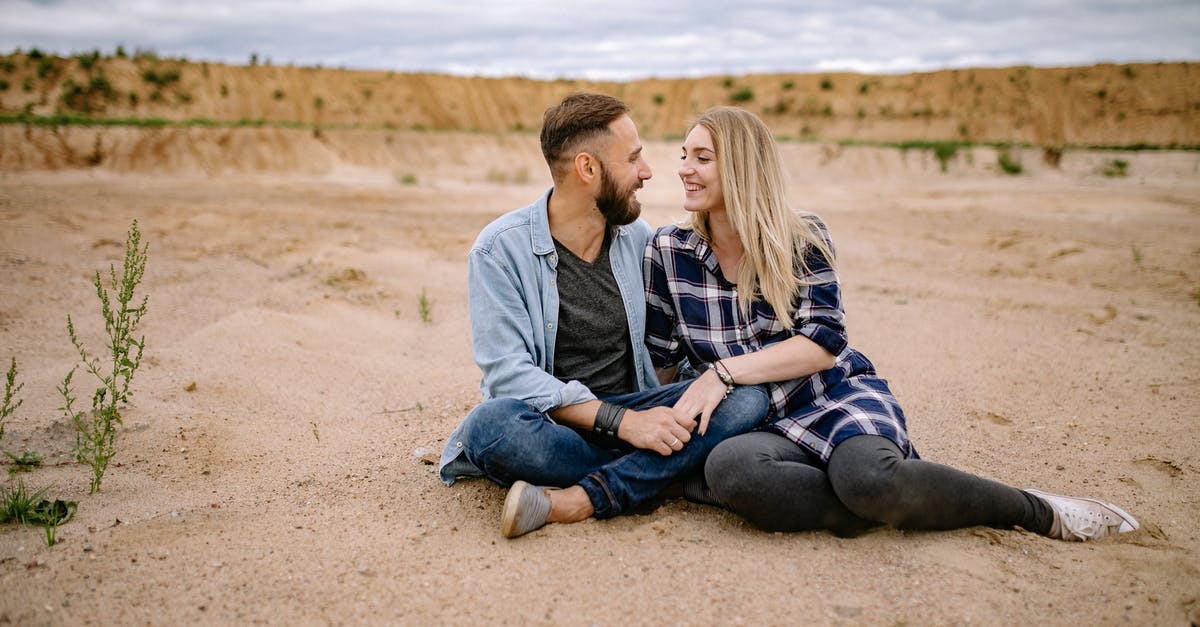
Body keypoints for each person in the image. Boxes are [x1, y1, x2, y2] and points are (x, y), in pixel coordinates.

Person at [643, 106, 1139, 541]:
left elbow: (823, 343)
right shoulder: (668, 250)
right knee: (733, 470)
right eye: (684, 155)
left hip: (829, 395)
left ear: (744, 168)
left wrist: (722, 372)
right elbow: (663, 363)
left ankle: (1038, 511)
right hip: (756, 420)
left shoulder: (800, 236)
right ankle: (897, 502)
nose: (685, 169)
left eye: (702, 158)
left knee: (868, 480)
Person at [438, 94, 768, 539]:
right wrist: (626, 424)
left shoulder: (640, 240)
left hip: (643, 408)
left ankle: (593, 493)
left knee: (745, 397)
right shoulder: (500, 250)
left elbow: (676, 351)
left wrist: (680, 402)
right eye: (633, 159)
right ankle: (666, 476)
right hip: (558, 428)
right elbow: (508, 377)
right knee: (492, 428)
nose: (647, 173)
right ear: (588, 169)